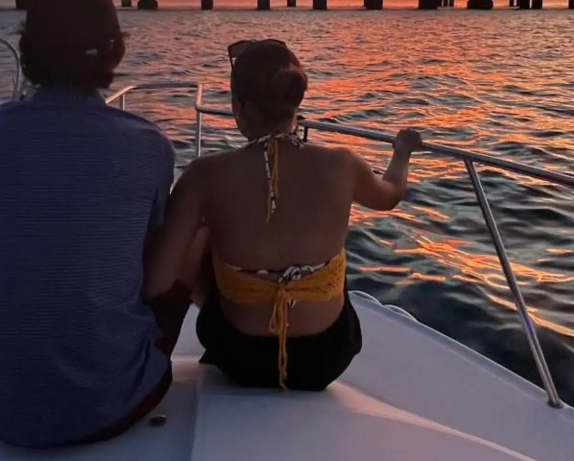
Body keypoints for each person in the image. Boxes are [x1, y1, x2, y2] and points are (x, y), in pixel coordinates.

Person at [0, 0, 187, 447]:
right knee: (187, 235)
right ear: (116, 53)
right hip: (110, 406)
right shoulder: (146, 146)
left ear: (27, 52)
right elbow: (151, 252)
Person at [145, 38, 420, 390]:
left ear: (239, 107)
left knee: (198, 237)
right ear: (295, 101)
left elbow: (157, 282)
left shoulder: (203, 175)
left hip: (237, 358)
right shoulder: (342, 164)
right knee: (324, 257)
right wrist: (402, 152)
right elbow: (391, 194)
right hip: (326, 358)